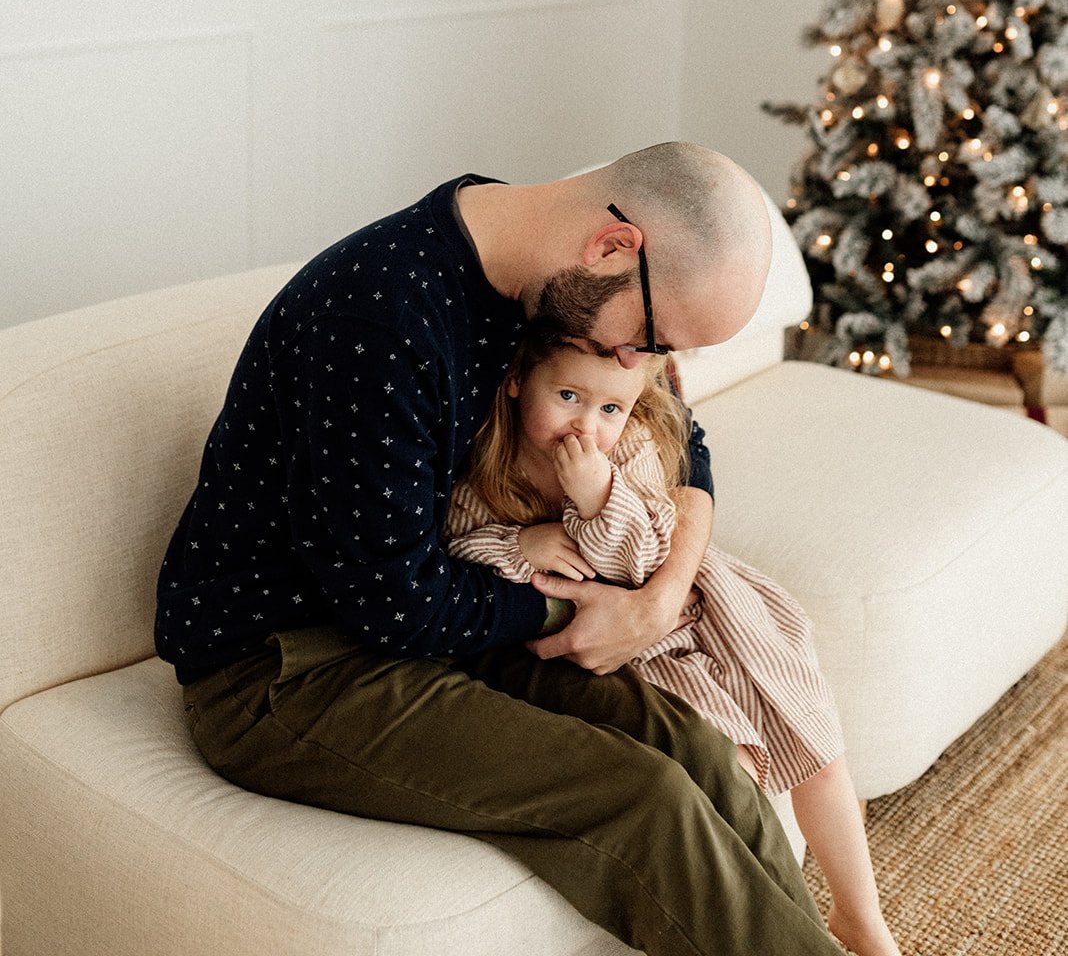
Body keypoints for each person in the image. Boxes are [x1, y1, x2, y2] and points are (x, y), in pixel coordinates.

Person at [158, 143, 846, 955]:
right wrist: (575, 602)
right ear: (613, 248)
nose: (641, 366)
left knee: (695, 749)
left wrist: (658, 599)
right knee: (644, 796)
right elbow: (395, 604)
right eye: (646, 342)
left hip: (454, 618)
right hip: (288, 665)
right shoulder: (382, 315)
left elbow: (680, 438)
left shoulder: (553, 285)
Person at [446, 330, 904, 956]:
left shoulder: (628, 451)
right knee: (725, 768)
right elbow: (459, 554)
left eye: (609, 408)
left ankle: (862, 918)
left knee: (815, 743)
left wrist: (597, 497)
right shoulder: (485, 475)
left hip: (706, 611)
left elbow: (645, 560)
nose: (585, 424)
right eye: (569, 395)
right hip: (639, 657)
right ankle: (775, 923)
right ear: (518, 379)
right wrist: (518, 547)